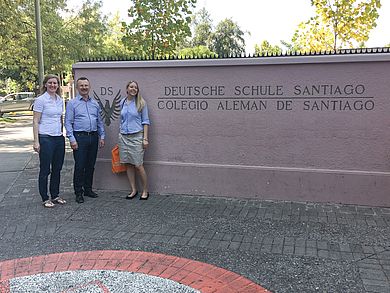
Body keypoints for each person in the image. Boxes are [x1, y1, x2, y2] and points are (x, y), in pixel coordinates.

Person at [65, 77, 105, 203]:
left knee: (90, 165)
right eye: (81, 85)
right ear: (77, 87)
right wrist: (72, 139)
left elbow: (99, 121)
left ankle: (88, 189)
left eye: (86, 85)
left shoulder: (95, 103)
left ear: (89, 87)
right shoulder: (72, 103)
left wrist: (102, 136)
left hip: (93, 137)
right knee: (80, 166)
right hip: (79, 138)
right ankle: (78, 192)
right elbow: (68, 122)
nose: (84, 87)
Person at [33, 74, 66, 208]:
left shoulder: (59, 100)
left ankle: (55, 195)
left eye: (55, 83)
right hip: (45, 137)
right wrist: (36, 141)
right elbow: (35, 121)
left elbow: (60, 118)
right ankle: (45, 197)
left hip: (58, 137)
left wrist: (62, 133)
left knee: (57, 168)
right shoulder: (41, 100)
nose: (53, 85)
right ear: (45, 84)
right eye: (50, 83)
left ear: (58, 86)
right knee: (45, 169)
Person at [118, 81, 150, 200]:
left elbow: (145, 121)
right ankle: (133, 190)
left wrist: (145, 138)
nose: (133, 89)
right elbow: (121, 119)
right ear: (127, 89)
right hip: (123, 137)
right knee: (128, 164)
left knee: (138, 164)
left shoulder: (141, 103)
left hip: (136, 137)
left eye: (135, 87)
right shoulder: (122, 102)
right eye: (131, 87)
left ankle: (145, 190)